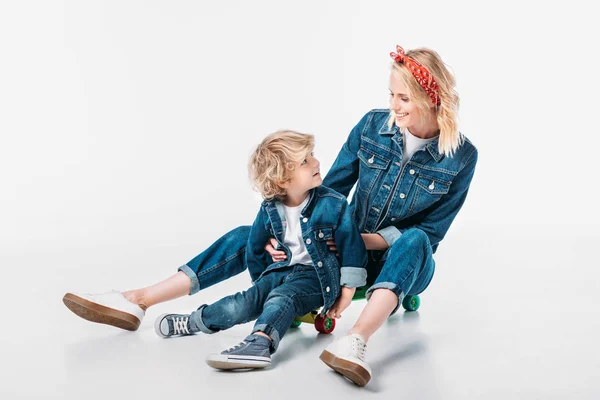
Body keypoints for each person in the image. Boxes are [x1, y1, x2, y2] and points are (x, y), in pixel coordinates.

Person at [63, 44, 477, 386]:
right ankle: (138, 300)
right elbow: (329, 188)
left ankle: (354, 341)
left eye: (403, 98)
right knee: (248, 233)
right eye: (390, 94)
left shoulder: (462, 156)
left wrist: (359, 240)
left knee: (416, 240)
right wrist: (293, 234)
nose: (393, 106)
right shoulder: (373, 126)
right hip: (334, 246)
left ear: (430, 97)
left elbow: (431, 231)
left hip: (399, 260)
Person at [152, 130, 367, 370]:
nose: (316, 162)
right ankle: (195, 321)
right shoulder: (270, 208)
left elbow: (352, 250)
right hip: (280, 271)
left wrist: (346, 293)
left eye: (312, 155)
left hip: (317, 277)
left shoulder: (333, 204)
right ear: (283, 180)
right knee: (243, 303)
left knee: (283, 297)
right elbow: (255, 246)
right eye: (304, 161)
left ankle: (260, 344)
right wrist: (260, 284)